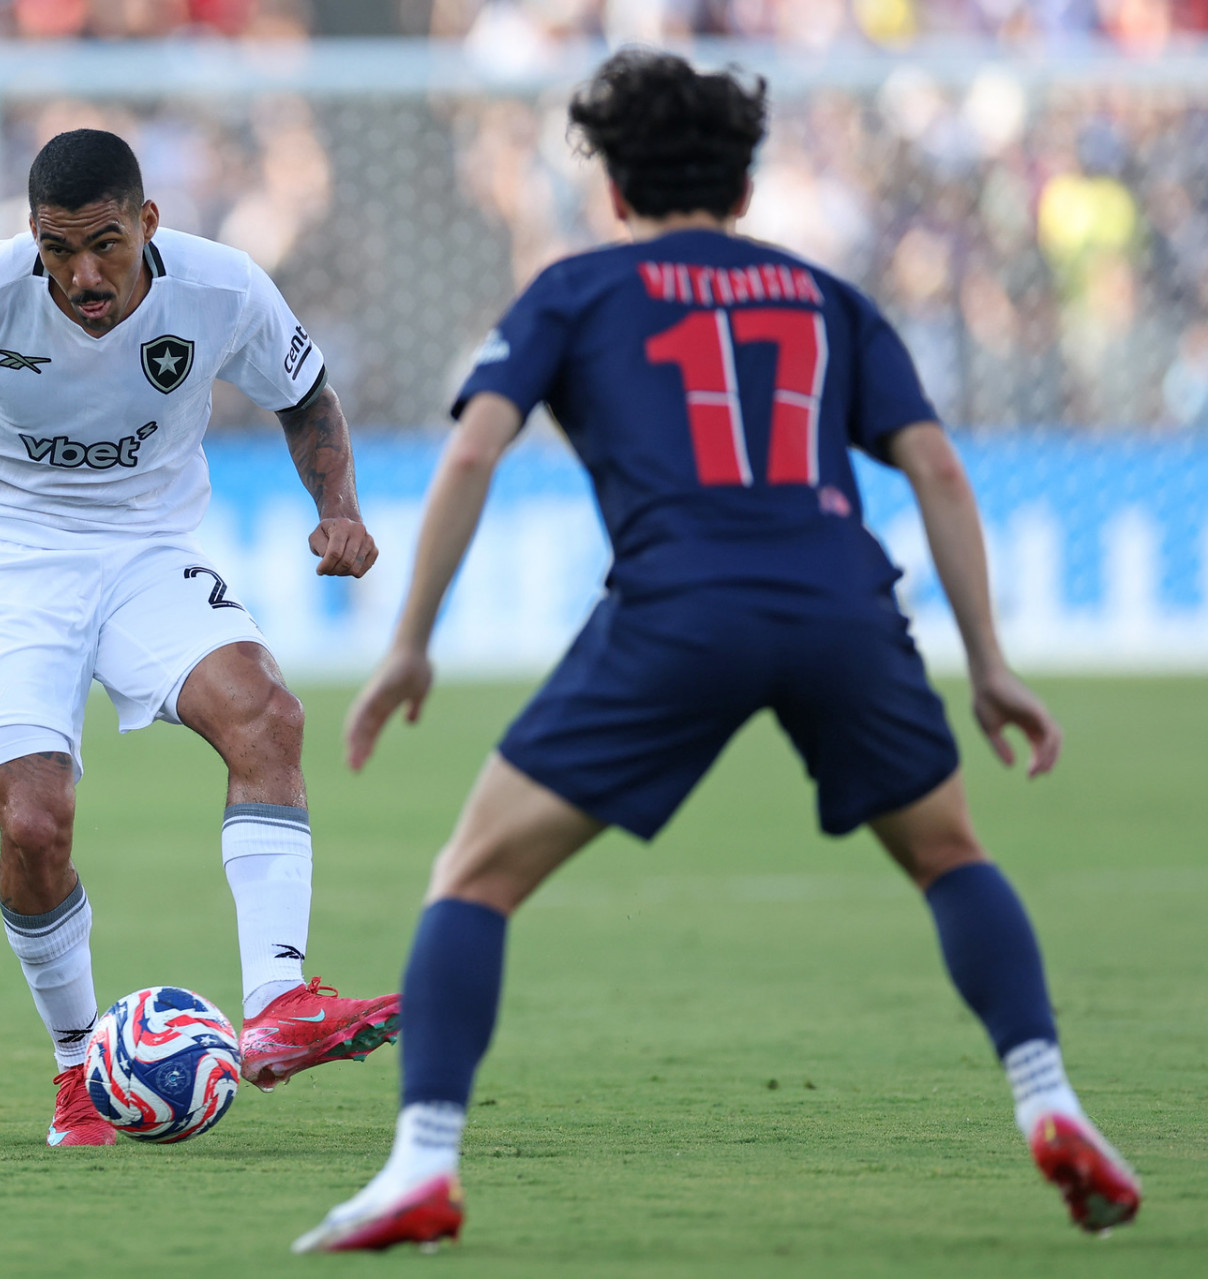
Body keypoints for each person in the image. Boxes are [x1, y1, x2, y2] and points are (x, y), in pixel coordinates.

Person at [293, 50, 1141, 1251]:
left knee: (474, 877)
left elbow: (475, 451)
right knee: (951, 855)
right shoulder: (828, 298)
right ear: (745, 188)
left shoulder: (574, 289)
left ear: (615, 189)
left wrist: (409, 643)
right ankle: (1051, 1098)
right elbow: (940, 470)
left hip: (679, 610)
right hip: (844, 604)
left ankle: (422, 1164)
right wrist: (992, 664)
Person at [0, 129, 400, 1147]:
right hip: (4, 561)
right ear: (32, 235)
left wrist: (340, 509)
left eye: (105, 244)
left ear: (149, 221)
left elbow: (304, 394)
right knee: (33, 823)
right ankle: (76, 1068)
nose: (84, 275)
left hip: (146, 546)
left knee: (267, 713)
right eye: (58, 249)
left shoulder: (223, 289)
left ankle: (279, 1005)